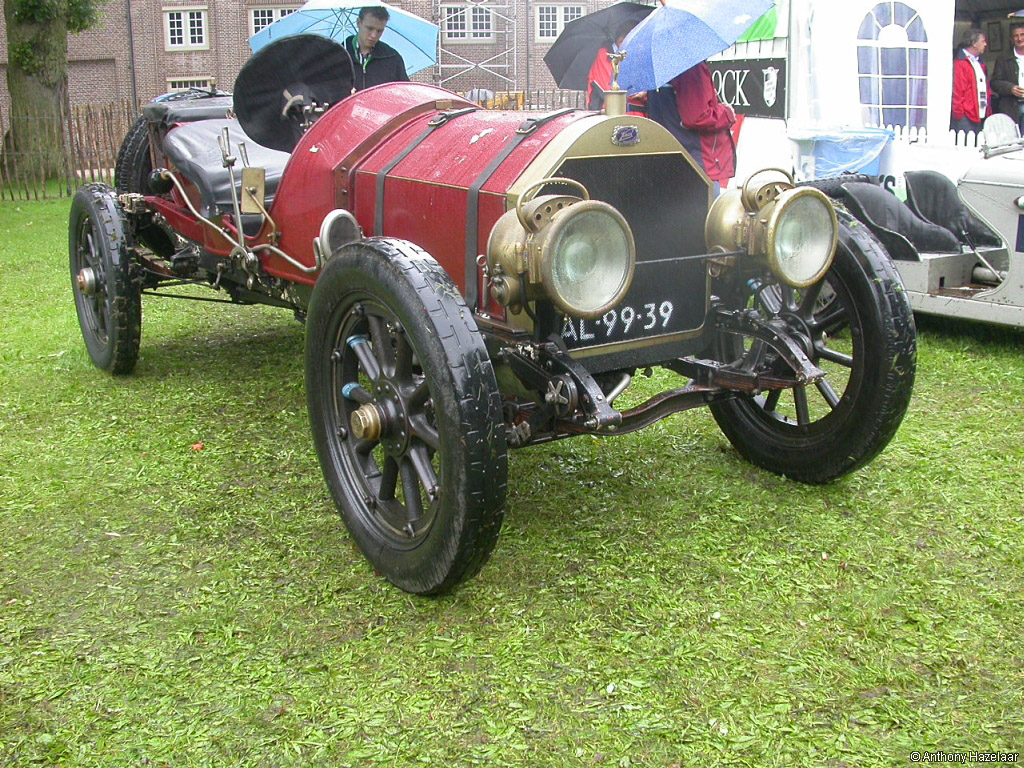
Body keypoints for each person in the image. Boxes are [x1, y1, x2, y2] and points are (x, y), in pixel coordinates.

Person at [646, 61, 736, 194]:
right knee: (710, 212)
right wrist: (727, 114)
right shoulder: (691, 65)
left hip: (667, 162)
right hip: (695, 164)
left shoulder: (657, 64)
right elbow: (698, 117)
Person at [345, 7, 409, 91]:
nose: (374, 35)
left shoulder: (392, 58)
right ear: (359, 23)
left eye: (379, 31)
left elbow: (404, 93)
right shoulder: (338, 56)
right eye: (370, 28)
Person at [586, 19, 645, 113]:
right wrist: (633, 92)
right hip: (610, 112)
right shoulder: (604, 56)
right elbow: (608, 88)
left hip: (638, 113)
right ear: (620, 40)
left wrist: (645, 93)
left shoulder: (638, 56)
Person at [951, 28, 992, 135]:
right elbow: (957, 91)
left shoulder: (979, 63)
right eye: (983, 41)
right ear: (974, 43)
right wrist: (959, 115)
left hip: (980, 114)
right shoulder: (961, 63)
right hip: (966, 117)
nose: (985, 44)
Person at [991, 21, 1024, 133]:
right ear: (1011, 39)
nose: (1019, 39)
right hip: (1011, 106)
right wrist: (1010, 88)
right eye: (1016, 36)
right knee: (1012, 141)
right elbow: (994, 82)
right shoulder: (1003, 58)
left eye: (1022, 35)